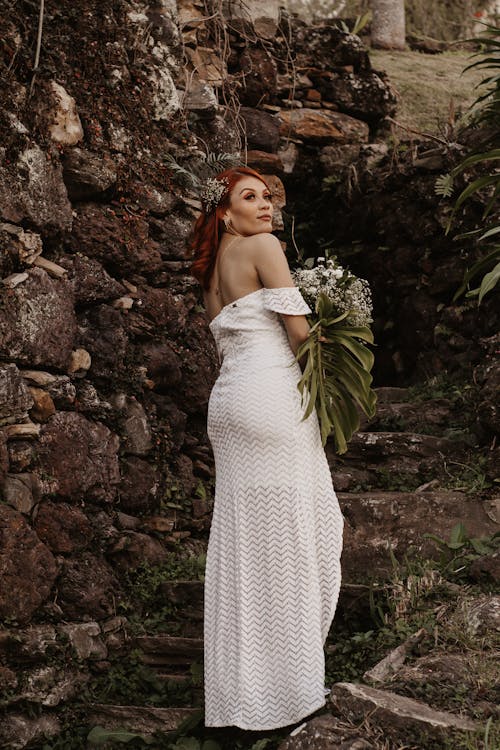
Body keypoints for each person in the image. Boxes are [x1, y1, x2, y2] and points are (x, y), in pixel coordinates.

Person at [190, 166, 344, 731]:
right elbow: (300, 334)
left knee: (242, 544)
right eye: (248, 197)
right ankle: (288, 692)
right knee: (301, 535)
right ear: (225, 213)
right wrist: (340, 336)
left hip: (229, 404)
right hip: (271, 398)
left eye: (268, 198)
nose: (265, 207)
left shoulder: (210, 269)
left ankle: (238, 700)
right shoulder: (263, 246)